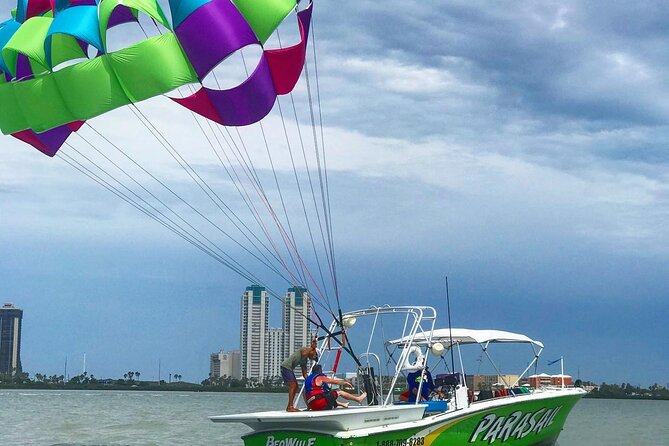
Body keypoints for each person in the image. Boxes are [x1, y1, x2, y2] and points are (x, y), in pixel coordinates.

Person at [281, 337, 319, 412]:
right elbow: (304, 353)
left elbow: (304, 373)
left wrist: (310, 381)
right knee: (293, 385)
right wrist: (312, 347)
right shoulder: (304, 349)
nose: (313, 358)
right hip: (286, 366)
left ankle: (289, 406)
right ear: (313, 351)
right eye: (314, 355)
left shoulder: (304, 361)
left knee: (296, 386)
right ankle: (290, 407)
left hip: (289, 368)